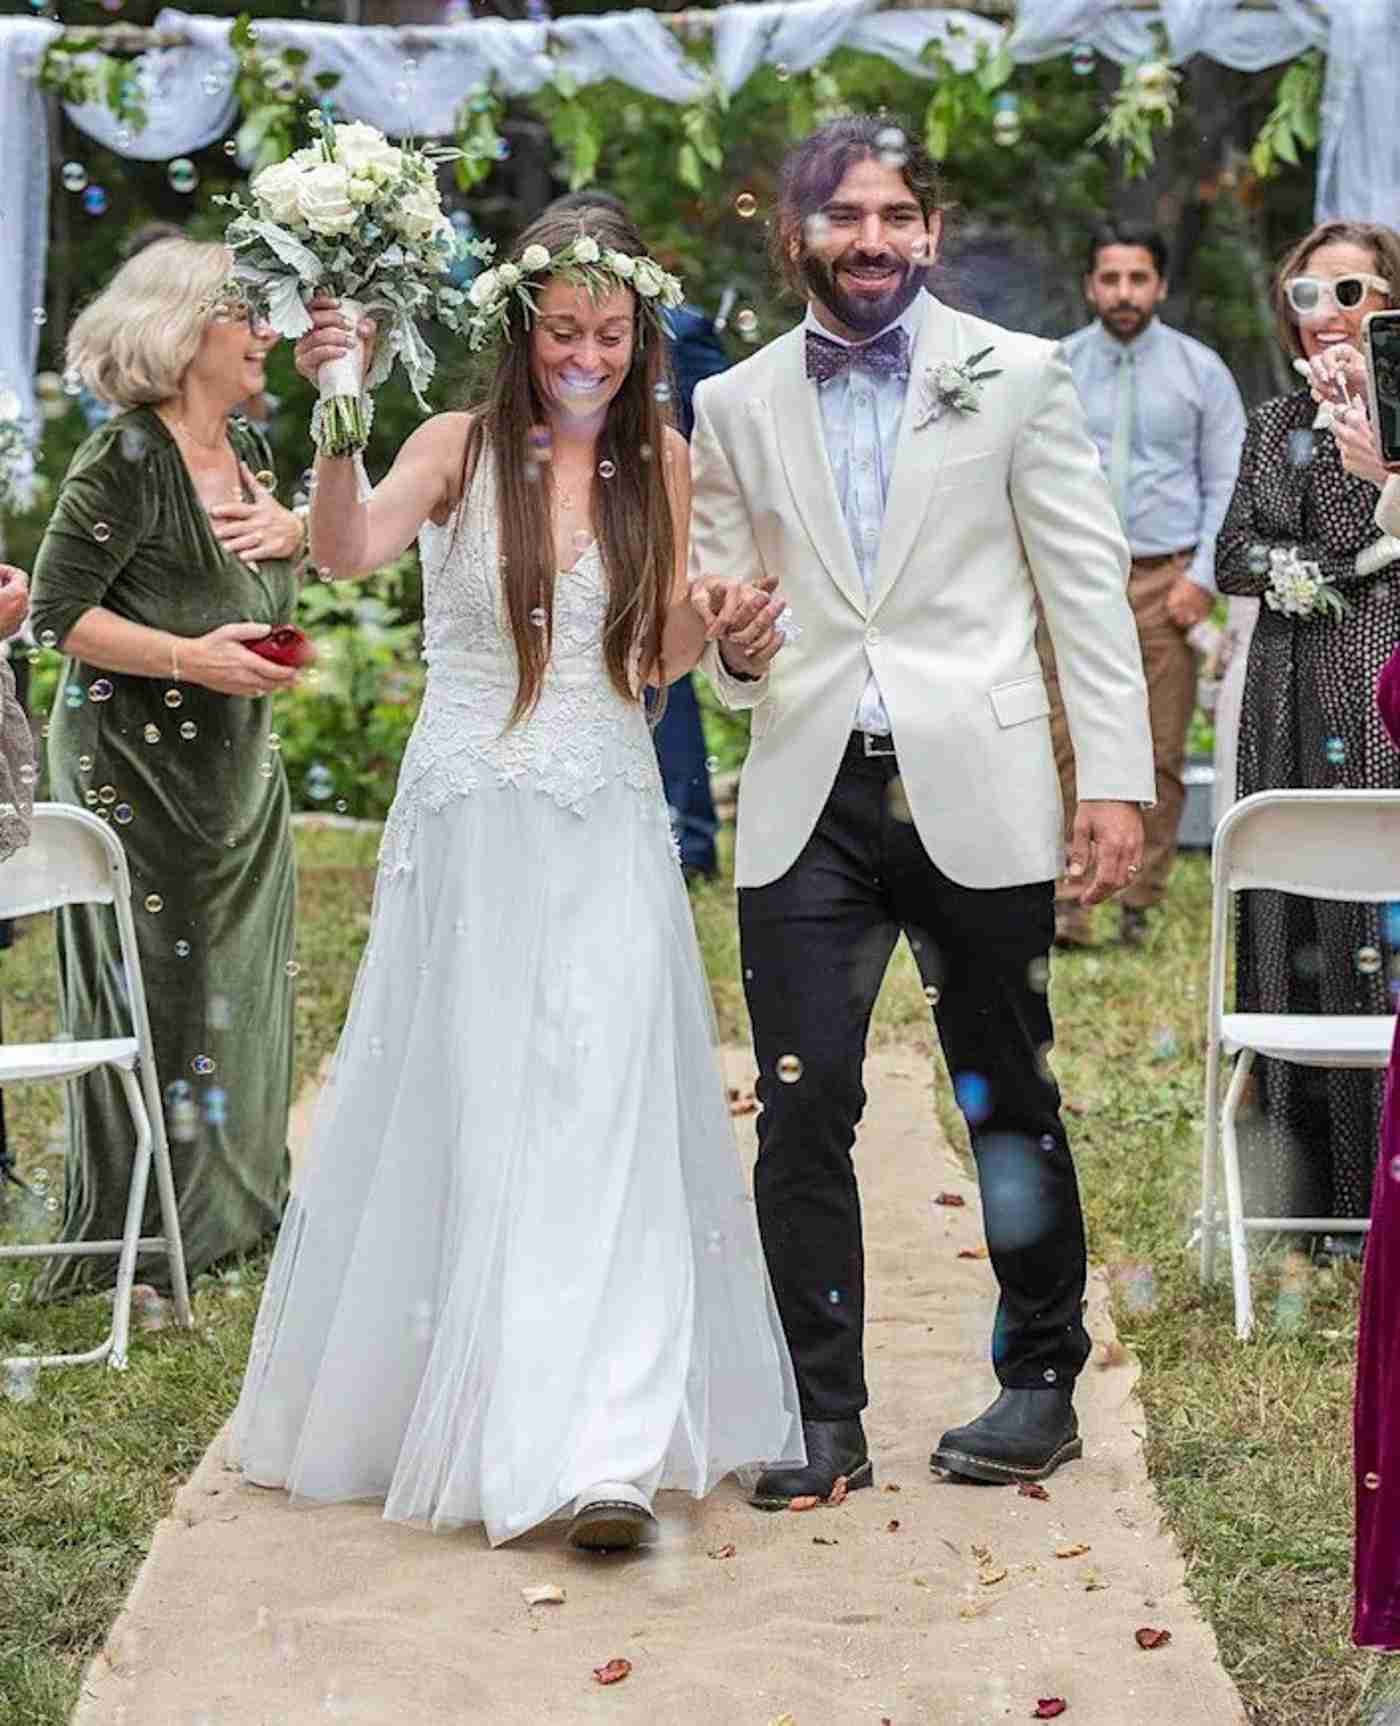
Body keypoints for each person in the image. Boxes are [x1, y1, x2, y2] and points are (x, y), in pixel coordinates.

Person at [228, 199, 804, 1553]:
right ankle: (485, 1407)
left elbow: (657, 659)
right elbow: (345, 549)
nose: (587, 357)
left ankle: (603, 1447)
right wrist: (334, 411)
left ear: (639, 335)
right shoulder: (451, 449)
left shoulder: (665, 460)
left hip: (603, 804)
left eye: (610, 335)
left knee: (601, 1097)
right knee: (482, 1102)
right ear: (521, 327)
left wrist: (731, 636)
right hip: (471, 817)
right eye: (564, 332)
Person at [688, 117, 1154, 1504]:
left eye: (898, 215)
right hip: (808, 798)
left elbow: (1085, 588)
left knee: (1008, 1095)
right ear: (796, 237)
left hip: (981, 782)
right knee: (804, 1100)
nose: (874, 238)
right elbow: (724, 626)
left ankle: (1038, 1382)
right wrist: (737, 648)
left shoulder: (1018, 378)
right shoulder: (734, 406)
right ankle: (821, 1411)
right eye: (846, 217)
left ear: (931, 233)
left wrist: (1115, 780)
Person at [27, 237, 308, 1297]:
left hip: (236, 770)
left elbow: (271, 581)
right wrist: (194, 657)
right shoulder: (126, 460)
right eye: (250, 316)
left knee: (239, 987)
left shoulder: (252, 458)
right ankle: (144, 1238)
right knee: (166, 991)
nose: (269, 335)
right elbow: (59, 617)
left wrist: (297, 543)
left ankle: (236, 1214)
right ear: (188, 330)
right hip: (136, 774)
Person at [1216, 218, 1400, 1231]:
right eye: (1306, 296)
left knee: (1382, 917)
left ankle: (1388, 1183)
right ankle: (1315, 1195)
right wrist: (1333, 571)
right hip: (1291, 697)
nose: (1326, 315)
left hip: (1388, 686)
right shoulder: (1271, 421)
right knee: (1303, 916)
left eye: (1352, 292)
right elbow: (1234, 555)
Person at [1046, 222, 1246, 949]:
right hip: (1073, 581)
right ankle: (1072, 896)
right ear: (1090, 286)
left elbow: (1227, 480)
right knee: (1064, 740)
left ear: (1160, 286)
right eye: (1110, 279)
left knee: (1159, 749)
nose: (1123, 293)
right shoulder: (1055, 368)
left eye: (1138, 279)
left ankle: (1140, 900)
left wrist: (1201, 578)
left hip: (1167, 582)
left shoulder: (1201, 372)